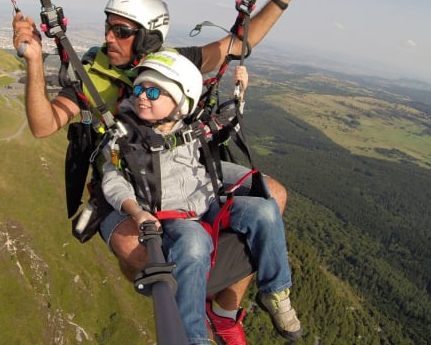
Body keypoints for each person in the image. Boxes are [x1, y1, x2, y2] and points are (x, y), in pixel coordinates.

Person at [13, 0, 303, 342]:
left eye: (122, 31)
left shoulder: (172, 65)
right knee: (140, 253)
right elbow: (43, 124)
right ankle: (192, 305)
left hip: (185, 166)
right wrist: (35, 62)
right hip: (126, 182)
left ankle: (225, 310)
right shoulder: (93, 77)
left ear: (149, 38)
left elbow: (237, 44)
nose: (109, 38)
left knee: (273, 198)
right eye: (108, 27)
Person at [101, 51, 302, 343]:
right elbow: (113, 178)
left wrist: (240, 93)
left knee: (265, 211)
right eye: (140, 88)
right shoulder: (125, 137)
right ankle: (193, 336)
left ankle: (275, 290)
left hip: (207, 201)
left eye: (154, 91)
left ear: (180, 104)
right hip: (175, 215)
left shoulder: (190, 127)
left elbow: (225, 122)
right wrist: (136, 211)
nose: (143, 96)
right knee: (195, 244)